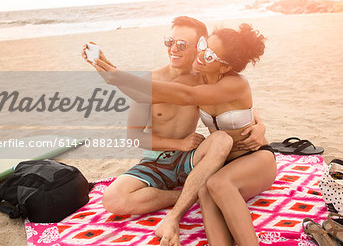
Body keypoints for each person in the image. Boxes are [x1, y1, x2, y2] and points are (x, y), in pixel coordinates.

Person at [91, 22, 277, 246]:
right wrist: (112, 72)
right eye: (203, 46)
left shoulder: (222, 82)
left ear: (224, 66)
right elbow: (149, 95)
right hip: (199, 160)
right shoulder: (192, 78)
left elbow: (196, 97)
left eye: (209, 54)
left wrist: (260, 126)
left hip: (241, 157)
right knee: (207, 191)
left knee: (217, 175)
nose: (201, 54)